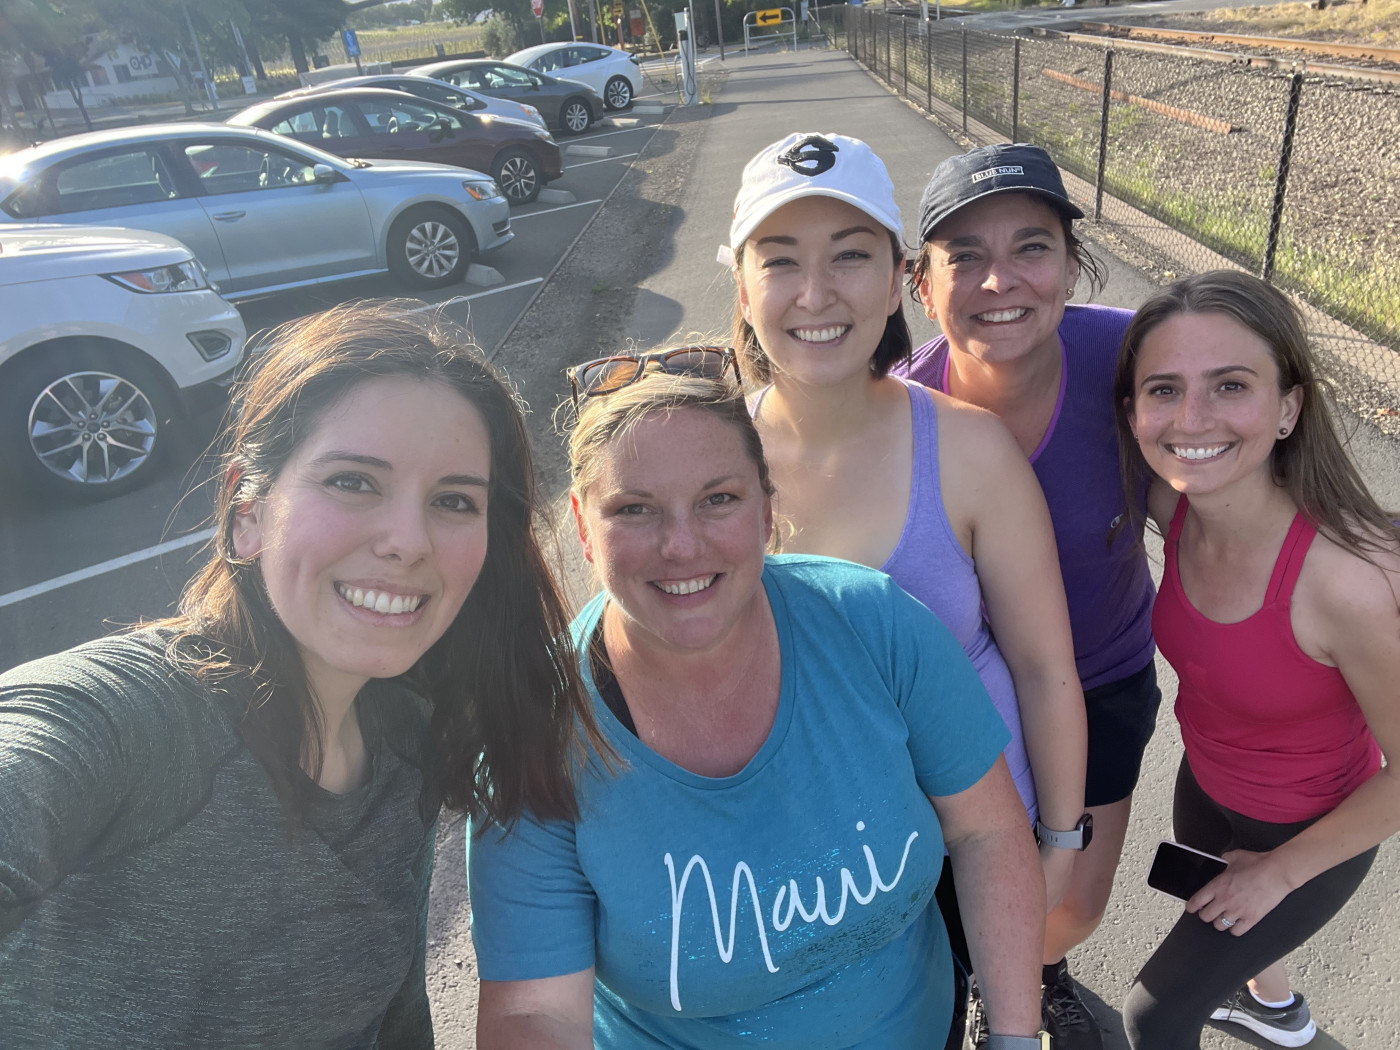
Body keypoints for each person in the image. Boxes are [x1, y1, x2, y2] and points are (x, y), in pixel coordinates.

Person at [0, 302, 594, 1049]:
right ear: (246, 512)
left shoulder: (405, 741)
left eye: (453, 501)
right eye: (353, 482)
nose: (408, 541)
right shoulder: (129, 721)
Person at [468, 362, 1050, 1049]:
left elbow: (986, 831)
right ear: (581, 525)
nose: (681, 545)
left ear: (767, 508)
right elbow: (534, 1011)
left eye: (718, 499)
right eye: (634, 509)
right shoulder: (536, 732)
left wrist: (1015, 1038)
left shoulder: (875, 625)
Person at [727, 132, 1088, 1045]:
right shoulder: (706, 463)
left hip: (974, 843)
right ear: (742, 284)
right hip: (804, 860)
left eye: (850, 257)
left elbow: (1045, 670)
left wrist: (1057, 843)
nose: (817, 294)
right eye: (782, 261)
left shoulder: (970, 450)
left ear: (897, 282)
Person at [903, 142, 1159, 1048]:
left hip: (1099, 674)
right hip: (959, 703)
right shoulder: (898, 415)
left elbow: (1236, 459)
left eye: (1032, 247)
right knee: (960, 892)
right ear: (921, 286)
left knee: (1072, 901)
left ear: (1072, 265)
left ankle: (1039, 969)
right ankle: (993, 983)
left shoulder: (1132, 359)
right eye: (964, 255)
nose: (998, 280)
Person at [1114, 271, 1400, 1049]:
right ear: (1134, 412)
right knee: (1217, 915)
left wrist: (1277, 874)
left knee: (1154, 1017)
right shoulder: (1174, 505)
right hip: (1205, 787)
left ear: (1288, 408)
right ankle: (1273, 1008)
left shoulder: (1346, 582)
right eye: (1164, 389)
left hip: (1310, 831)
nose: (1192, 418)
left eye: (1231, 385)